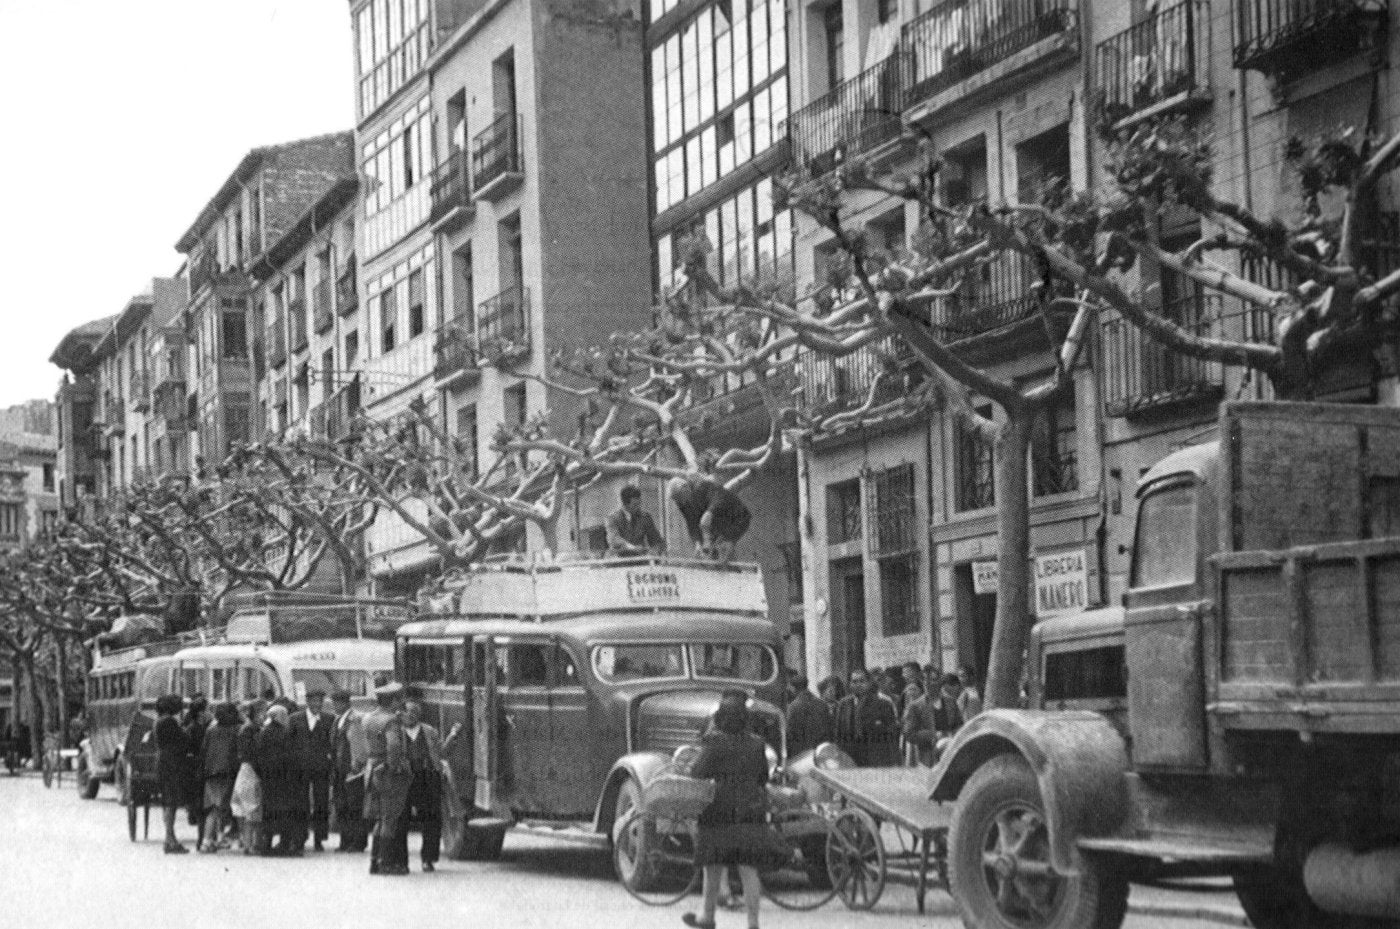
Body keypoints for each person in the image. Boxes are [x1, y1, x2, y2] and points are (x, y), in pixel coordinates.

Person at [684, 691, 772, 929]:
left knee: (712, 867)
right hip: (751, 812)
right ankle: (753, 924)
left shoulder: (714, 742)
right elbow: (763, 777)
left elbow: (698, 772)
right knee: (748, 869)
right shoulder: (757, 744)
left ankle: (707, 916)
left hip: (718, 812)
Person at [364, 682, 411, 876]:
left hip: (372, 768)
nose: (400, 703)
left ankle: (375, 861)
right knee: (390, 819)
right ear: (392, 701)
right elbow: (393, 746)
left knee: (379, 817)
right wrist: (394, 768)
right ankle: (387, 863)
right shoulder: (391, 721)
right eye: (398, 699)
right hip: (387, 773)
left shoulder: (368, 718)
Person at [398, 700, 445, 872]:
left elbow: (440, 752)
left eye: (413, 712)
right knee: (401, 818)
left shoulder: (429, 731)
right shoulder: (396, 730)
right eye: (406, 711)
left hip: (426, 776)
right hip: (404, 778)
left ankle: (428, 858)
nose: (409, 715)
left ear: (419, 714)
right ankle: (401, 860)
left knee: (431, 818)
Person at [668, 468, 752, 562]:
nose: (680, 502)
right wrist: (697, 542)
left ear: (685, 487)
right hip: (717, 524)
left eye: (679, 497)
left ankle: (730, 567)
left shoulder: (703, 485)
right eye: (677, 500)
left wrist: (710, 512)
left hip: (737, 518)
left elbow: (720, 498)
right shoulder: (682, 503)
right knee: (710, 552)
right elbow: (691, 524)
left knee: (723, 546)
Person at [290, 690, 336, 852]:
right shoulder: (295, 719)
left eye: (320, 702)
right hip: (300, 768)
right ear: (307, 702)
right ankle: (300, 837)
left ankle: (319, 838)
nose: (317, 705)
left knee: (321, 803)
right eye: (314, 701)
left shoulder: (329, 720)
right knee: (301, 803)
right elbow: (290, 742)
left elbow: (332, 743)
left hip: (321, 767)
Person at [254, 704, 301, 856]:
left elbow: (258, 756)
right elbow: (291, 757)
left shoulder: (263, 733)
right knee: (285, 812)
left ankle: (266, 845)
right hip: (284, 781)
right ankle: (284, 844)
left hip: (268, 779)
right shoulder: (285, 733)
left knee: (268, 812)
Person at [833, 669, 900, 767]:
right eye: (854, 682)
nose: (858, 685)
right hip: (850, 759)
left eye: (862, 681)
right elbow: (838, 734)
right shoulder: (844, 704)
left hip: (874, 759)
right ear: (850, 684)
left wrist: (892, 760)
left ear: (868, 683)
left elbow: (891, 735)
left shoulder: (883, 704)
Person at [330, 689, 369, 853]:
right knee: (341, 806)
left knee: (354, 807)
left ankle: (358, 841)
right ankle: (345, 840)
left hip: (351, 770)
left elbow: (358, 744)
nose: (335, 706)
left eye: (338, 703)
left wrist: (357, 764)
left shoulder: (354, 720)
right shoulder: (338, 720)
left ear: (346, 703)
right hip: (339, 769)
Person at [199, 702, 241, 853]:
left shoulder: (211, 730)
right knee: (219, 808)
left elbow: (204, 751)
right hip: (227, 772)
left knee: (213, 808)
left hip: (211, 772)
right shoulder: (235, 730)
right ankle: (209, 840)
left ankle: (212, 839)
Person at [152, 694, 191, 854]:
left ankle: (170, 837)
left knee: (168, 802)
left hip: (163, 761)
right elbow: (182, 740)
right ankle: (169, 839)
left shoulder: (158, 721)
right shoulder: (169, 721)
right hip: (171, 763)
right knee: (171, 802)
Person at [903, 672, 965, 767]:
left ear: (940, 682)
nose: (928, 683)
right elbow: (909, 733)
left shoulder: (951, 702)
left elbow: (959, 725)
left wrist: (953, 736)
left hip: (950, 752)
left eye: (932, 680)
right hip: (927, 757)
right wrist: (933, 734)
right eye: (924, 680)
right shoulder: (915, 706)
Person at [231, 700, 265, 853]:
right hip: (251, 770)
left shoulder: (249, 728)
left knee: (247, 809)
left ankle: (248, 842)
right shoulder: (251, 729)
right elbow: (252, 752)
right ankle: (251, 844)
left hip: (246, 770)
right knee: (252, 807)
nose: (264, 716)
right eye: (261, 712)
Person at [606, 485, 664, 555]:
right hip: (619, 562)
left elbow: (656, 540)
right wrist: (633, 548)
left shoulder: (645, 517)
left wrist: (655, 551)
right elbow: (614, 540)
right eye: (635, 505)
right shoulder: (612, 518)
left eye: (639, 503)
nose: (638, 507)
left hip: (640, 561)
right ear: (625, 504)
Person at [784, 675, 831, 757]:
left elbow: (789, 732)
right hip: (820, 752)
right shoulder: (822, 704)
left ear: (793, 688)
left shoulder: (793, 707)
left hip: (800, 755)